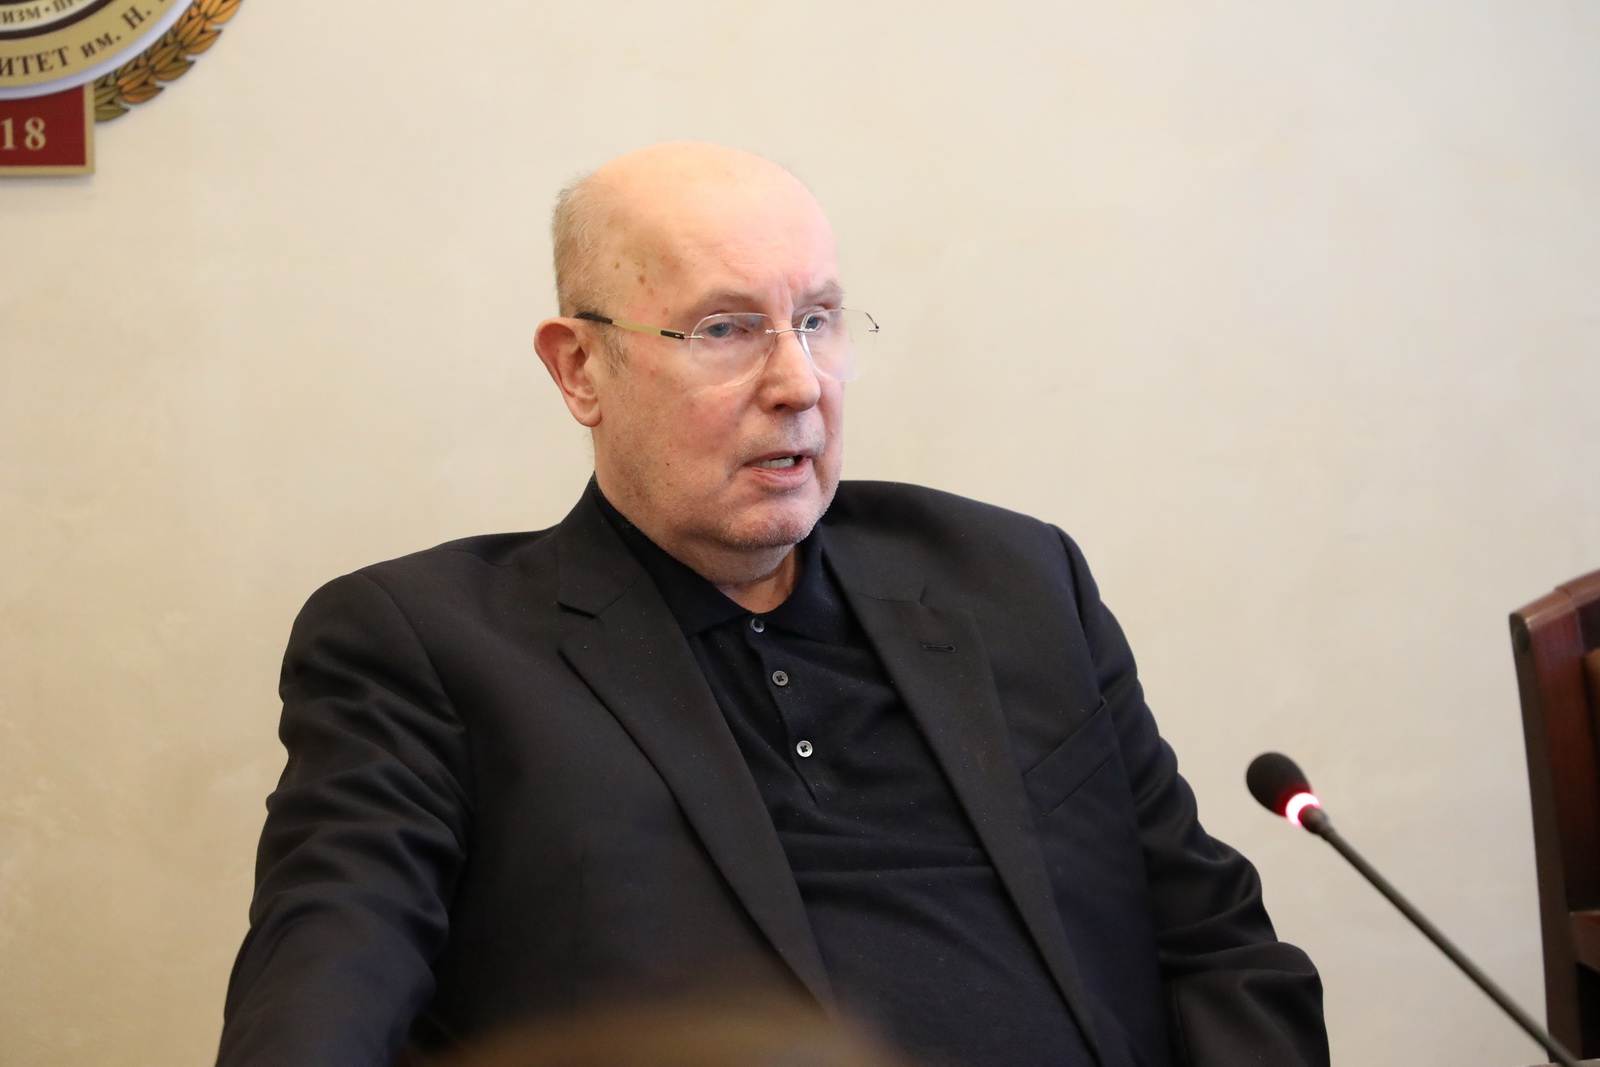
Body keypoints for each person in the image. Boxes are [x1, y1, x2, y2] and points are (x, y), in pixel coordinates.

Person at [218, 142, 1328, 1067]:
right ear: (580, 370)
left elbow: (1216, 947)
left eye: (819, 319)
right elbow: (329, 974)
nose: (799, 382)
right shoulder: (429, 646)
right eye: (725, 328)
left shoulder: (1013, 580)